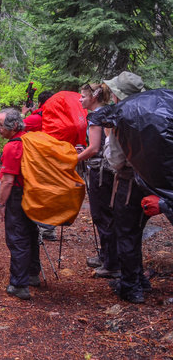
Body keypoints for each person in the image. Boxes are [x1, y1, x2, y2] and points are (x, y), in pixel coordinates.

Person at [102, 71, 148, 303]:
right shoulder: (148, 114)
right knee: (136, 231)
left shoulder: (122, 119)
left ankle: (131, 287)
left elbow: (116, 161)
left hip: (129, 184)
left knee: (126, 233)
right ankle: (139, 278)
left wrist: (108, 137)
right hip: (150, 185)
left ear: (119, 96)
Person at [0, 108, 41, 300]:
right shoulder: (30, 139)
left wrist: (1, 203)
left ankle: (19, 284)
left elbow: (7, 181)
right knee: (31, 233)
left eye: (0, 124)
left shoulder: (12, 147)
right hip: (32, 194)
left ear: (13, 126)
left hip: (17, 195)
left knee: (17, 237)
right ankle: (32, 274)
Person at [76, 82, 118, 278]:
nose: (80, 99)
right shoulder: (109, 111)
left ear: (94, 97)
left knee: (102, 214)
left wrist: (72, 160)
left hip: (100, 171)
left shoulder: (95, 117)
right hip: (110, 170)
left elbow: (93, 149)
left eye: (83, 96)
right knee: (107, 213)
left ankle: (111, 263)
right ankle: (107, 256)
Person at [21, 90, 58, 241]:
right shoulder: (57, 117)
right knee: (52, 192)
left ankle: (40, 228)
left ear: (42, 103)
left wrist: (24, 113)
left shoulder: (37, 118)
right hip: (56, 159)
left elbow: (17, 127)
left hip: (40, 161)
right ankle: (50, 228)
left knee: (40, 193)